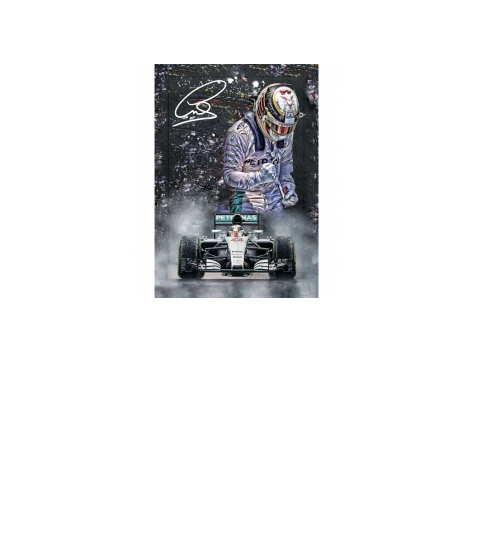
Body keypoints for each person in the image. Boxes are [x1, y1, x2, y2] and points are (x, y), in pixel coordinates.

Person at [223, 83, 300, 213]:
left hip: (274, 200)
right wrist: (258, 177)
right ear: (263, 116)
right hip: (244, 202)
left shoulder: (287, 132)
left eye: (288, 128)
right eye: (278, 127)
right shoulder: (239, 134)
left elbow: (285, 163)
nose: (282, 133)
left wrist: (288, 189)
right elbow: (229, 175)